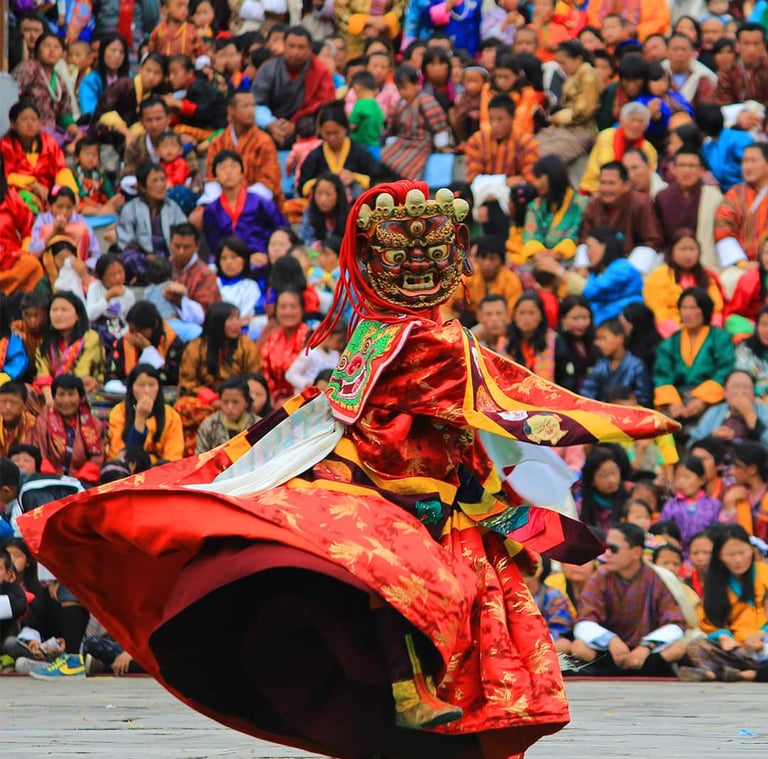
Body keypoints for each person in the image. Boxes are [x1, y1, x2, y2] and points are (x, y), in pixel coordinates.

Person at [18, 182, 677, 756]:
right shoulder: (418, 337)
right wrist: (633, 419)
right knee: (419, 591)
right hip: (389, 497)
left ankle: (418, 716)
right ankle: (410, 705)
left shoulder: (394, 333)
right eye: (405, 259)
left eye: (429, 259)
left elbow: (453, 406)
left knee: (448, 601)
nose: (419, 271)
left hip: (437, 499)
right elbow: (521, 401)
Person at [572, 523, 687, 677]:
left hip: (646, 651)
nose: (606, 553)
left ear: (636, 552)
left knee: (677, 648)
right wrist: (611, 640)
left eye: (613, 549)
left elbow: (676, 625)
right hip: (609, 651)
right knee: (579, 647)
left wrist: (647, 646)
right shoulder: (599, 577)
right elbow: (583, 622)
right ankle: (633, 669)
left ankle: (620, 670)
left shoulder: (657, 578)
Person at [680, 524, 768, 682]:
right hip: (738, 648)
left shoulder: (764, 573)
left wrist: (761, 634)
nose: (738, 560)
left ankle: (726, 674)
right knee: (696, 647)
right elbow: (708, 621)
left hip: (764, 642)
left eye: (743, 552)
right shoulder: (716, 583)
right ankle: (744, 672)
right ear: (719, 556)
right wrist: (723, 636)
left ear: (752, 549)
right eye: (731, 554)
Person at [175, 302, 261, 454]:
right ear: (217, 321)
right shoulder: (195, 347)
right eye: (231, 319)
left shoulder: (247, 346)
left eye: (237, 318)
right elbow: (188, 382)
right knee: (183, 406)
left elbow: (255, 378)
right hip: (206, 401)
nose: (237, 324)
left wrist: (237, 398)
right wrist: (213, 399)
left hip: (239, 398)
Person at [653, 287, 735, 421]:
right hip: (677, 399)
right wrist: (674, 402)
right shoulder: (670, 342)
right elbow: (662, 375)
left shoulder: (720, 338)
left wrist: (702, 400)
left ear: (704, 310)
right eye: (683, 308)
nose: (687, 313)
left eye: (692, 308)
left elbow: (724, 370)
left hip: (711, 399)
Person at [251, 25, 336, 148]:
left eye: (301, 47)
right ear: (284, 45)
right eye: (291, 46)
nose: (295, 52)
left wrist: (295, 126)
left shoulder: (320, 72)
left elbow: (325, 107)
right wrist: (270, 123)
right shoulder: (268, 68)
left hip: (307, 128)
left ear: (309, 49)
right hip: (270, 126)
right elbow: (256, 102)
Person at [203, 151, 289, 267]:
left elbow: (283, 229)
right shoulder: (211, 210)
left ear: (242, 173)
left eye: (233, 166)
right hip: (227, 260)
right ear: (216, 177)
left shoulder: (259, 203)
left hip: (259, 257)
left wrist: (268, 253)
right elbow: (213, 244)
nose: (228, 172)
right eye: (223, 167)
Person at [204, 91, 284, 207]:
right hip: (223, 200)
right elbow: (212, 177)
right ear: (231, 110)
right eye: (246, 106)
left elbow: (269, 180)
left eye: (253, 106)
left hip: (256, 201)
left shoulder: (264, 141)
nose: (251, 111)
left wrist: (243, 200)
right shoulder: (218, 142)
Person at [580, 163, 664, 270]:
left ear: (626, 185)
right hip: (598, 258)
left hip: (632, 259)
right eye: (603, 183)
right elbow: (585, 238)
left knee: (645, 252)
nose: (606, 189)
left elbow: (652, 240)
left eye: (611, 183)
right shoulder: (593, 204)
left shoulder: (641, 203)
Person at [116, 162, 188, 285]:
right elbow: (126, 241)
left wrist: (175, 255)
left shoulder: (173, 208)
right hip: (143, 257)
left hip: (168, 257)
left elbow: (184, 233)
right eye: (155, 181)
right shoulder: (130, 208)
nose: (161, 185)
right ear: (143, 187)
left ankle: (150, 278)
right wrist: (147, 255)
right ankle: (149, 278)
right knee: (128, 257)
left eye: (162, 180)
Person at [0, 101, 78, 213]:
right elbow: (6, 176)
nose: (30, 124)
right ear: (13, 124)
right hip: (21, 193)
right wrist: (34, 185)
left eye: (34, 119)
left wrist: (69, 192)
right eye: (24, 119)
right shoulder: (5, 146)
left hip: (51, 194)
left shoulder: (49, 143)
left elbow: (61, 169)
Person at [643, 229, 724, 337]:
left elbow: (716, 309)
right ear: (672, 251)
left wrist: (711, 333)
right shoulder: (659, 275)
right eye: (683, 249)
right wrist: (681, 336)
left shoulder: (707, 276)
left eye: (692, 249)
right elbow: (659, 312)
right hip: (672, 333)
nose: (688, 254)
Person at [654, 148, 723, 272]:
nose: (687, 170)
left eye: (692, 166)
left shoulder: (714, 197)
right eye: (682, 165)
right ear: (673, 169)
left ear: (701, 170)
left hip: (704, 259)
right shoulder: (661, 197)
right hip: (669, 260)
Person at [380, 64, 451, 181]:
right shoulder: (398, 104)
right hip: (401, 141)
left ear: (416, 84)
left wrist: (441, 145)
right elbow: (391, 127)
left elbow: (438, 125)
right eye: (399, 88)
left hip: (421, 143)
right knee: (384, 156)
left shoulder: (426, 101)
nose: (402, 91)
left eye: (405, 87)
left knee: (408, 165)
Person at [33, 292, 104, 408]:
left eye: (64, 310)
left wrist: (61, 398)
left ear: (77, 315)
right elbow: (43, 374)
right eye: (54, 310)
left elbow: (82, 374)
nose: (58, 314)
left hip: (81, 390)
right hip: (50, 394)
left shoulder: (90, 338)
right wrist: (51, 400)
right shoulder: (45, 341)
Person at [12, 31, 82, 148]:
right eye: (46, 46)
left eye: (56, 47)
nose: (52, 50)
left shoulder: (59, 80)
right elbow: (11, 98)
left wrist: (77, 133)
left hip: (52, 133)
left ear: (62, 53)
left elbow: (64, 114)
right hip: (27, 131)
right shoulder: (29, 69)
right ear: (38, 50)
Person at [714, 144, 768, 295]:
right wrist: (742, 263)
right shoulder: (734, 195)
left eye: (752, 161)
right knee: (727, 282)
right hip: (743, 264)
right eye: (744, 161)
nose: (747, 166)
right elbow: (723, 231)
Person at [31, 374, 104, 485]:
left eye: (71, 394)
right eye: (61, 394)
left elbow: (97, 457)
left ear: (80, 397)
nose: (66, 400)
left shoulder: (94, 424)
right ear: (54, 397)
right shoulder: (42, 421)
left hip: (84, 482)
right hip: (48, 480)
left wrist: (81, 480)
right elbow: (39, 453)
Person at [298, 102, 380, 199]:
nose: (332, 138)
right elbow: (302, 188)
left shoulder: (360, 152)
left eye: (336, 133)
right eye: (327, 133)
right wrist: (322, 182)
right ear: (320, 131)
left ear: (345, 129)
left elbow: (377, 180)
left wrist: (355, 177)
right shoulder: (315, 156)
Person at [107, 364, 184, 464]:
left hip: (161, 472)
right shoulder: (119, 412)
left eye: (152, 385)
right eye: (141, 385)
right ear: (131, 388)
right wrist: (140, 417)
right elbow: (120, 458)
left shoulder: (171, 415)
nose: (147, 391)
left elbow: (174, 457)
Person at [440, 235, 522, 324]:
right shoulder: (468, 276)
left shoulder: (511, 280)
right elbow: (445, 304)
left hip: (501, 323)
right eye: (483, 257)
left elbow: (512, 313)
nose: (487, 263)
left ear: (501, 261)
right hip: (472, 321)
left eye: (492, 258)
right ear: (477, 259)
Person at [521, 155, 587, 264]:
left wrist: (558, 253)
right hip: (538, 260)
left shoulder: (580, 203)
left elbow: (576, 232)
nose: (536, 183)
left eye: (539, 177)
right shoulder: (535, 206)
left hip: (568, 259)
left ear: (553, 176)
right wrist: (538, 254)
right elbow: (530, 235)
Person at [580, 102, 657, 196]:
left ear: (646, 126)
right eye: (632, 120)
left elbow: (649, 176)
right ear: (621, 121)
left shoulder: (649, 149)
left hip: (632, 196)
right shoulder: (607, 136)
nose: (636, 125)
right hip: (595, 189)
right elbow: (608, 166)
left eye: (640, 121)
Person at [105, 301, 185, 389]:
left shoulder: (173, 343)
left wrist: (148, 350)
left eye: (139, 331)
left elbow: (172, 378)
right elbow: (111, 375)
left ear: (154, 326)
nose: (135, 335)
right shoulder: (124, 341)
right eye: (132, 330)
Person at [165, 223, 223, 342]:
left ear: (196, 247)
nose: (181, 252)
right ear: (170, 243)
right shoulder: (164, 266)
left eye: (186, 247)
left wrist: (179, 299)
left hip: (200, 333)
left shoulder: (205, 274)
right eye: (177, 246)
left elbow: (203, 315)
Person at [91, 53, 168, 141]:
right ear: (140, 69)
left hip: (133, 137)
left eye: (157, 73)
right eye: (148, 70)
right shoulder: (124, 85)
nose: (151, 77)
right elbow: (104, 113)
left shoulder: (155, 96)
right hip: (106, 133)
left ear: (163, 77)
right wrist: (127, 133)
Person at [687, 370, 768, 449]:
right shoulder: (715, 412)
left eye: (746, 387)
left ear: (753, 394)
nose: (741, 392)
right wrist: (712, 437)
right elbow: (691, 444)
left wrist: (751, 417)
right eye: (736, 387)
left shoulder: (764, 412)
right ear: (725, 393)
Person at [581, 227, 644, 326]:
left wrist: (561, 272)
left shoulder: (623, 268)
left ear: (604, 246)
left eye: (589, 247)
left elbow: (593, 291)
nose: (587, 253)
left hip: (621, 323)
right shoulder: (597, 272)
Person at [581, 318, 652, 407]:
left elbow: (644, 399)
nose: (597, 343)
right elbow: (587, 396)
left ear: (619, 338)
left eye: (603, 338)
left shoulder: (637, 366)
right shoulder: (599, 366)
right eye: (597, 339)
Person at [660, 456, 722, 555]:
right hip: (678, 555)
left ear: (702, 479)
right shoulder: (670, 506)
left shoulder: (714, 505)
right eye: (678, 477)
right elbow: (663, 531)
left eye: (686, 477)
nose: (681, 482)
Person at [260, 289, 312, 405]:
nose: (288, 312)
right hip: (275, 404)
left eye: (293, 307)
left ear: (302, 309)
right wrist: (272, 399)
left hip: (305, 402)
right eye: (283, 307)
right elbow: (265, 373)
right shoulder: (272, 339)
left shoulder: (311, 338)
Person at [29, 185, 101, 265]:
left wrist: (85, 266)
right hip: (50, 270)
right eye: (59, 207)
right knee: (47, 230)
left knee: (81, 230)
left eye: (69, 207)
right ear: (49, 206)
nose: (64, 212)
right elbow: (33, 251)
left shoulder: (80, 221)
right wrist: (54, 231)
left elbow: (96, 253)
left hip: (79, 268)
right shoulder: (43, 220)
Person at [714, 22, 768, 124]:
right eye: (746, 43)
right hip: (737, 121)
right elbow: (723, 101)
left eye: (756, 44)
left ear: (764, 45)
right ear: (737, 45)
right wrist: (740, 114)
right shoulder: (728, 71)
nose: (751, 49)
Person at [696, 102, 755, 194]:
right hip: (727, 195)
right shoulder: (706, 149)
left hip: (751, 190)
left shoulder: (740, 139)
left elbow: (754, 168)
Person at [195, 377, 260, 454]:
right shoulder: (209, 426)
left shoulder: (258, 425)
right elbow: (200, 457)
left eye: (235, 402)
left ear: (246, 402)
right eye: (225, 402)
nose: (230, 407)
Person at [578, 444, 631, 530]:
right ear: (592, 481)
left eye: (614, 472)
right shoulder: (581, 505)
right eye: (604, 476)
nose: (611, 480)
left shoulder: (630, 494)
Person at [504, 292, 556, 380]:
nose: (526, 318)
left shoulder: (553, 340)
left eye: (531, 313)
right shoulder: (505, 340)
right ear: (514, 315)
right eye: (522, 313)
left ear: (541, 316)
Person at [77, 33, 130, 119]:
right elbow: (89, 110)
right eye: (113, 50)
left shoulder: (129, 80)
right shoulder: (90, 81)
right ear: (102, 52)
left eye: (121, 52)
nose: (117, 56)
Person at [214, 237, 262, 330]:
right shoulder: (212, 282)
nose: (228, 262)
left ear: (244, 260)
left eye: (234, 257)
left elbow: (246, 315)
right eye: (223, 258)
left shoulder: (250, 286)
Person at [554, 295, 598, 394]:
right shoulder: (555, 343)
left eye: (585, 317)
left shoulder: (596, 340)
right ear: (563, 319)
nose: (581, 323)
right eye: (575, 318)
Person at [662, 32, 717, 107]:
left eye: (683, 49)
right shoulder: (659, 74)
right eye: (675, 49)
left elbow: (707, 108)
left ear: (692, 52)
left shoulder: (702, 77)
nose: (679, 54)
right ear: (667, 52)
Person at [298, 173, 349, 247]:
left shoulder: (349, 214)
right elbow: (305, 242)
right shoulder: (309, 212)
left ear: (338, 195)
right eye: (319, 193)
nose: (323, 199)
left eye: (328, 194)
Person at [348, 71, 385, 162]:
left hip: (360, 148)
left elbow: (352, 126)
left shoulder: (360, 105)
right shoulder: (377, 107)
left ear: (357, 88)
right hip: (375, 148)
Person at [733, 306, 768, 399]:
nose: (767, 330)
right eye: (764, 324)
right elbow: (741, 380)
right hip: (751, 400)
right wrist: (758, 395)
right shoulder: (745, 349)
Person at [0, 384, 36, 458]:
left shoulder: (33, 425)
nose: (8, 407)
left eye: (13, 402)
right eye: (3, 402)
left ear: (25, 405)